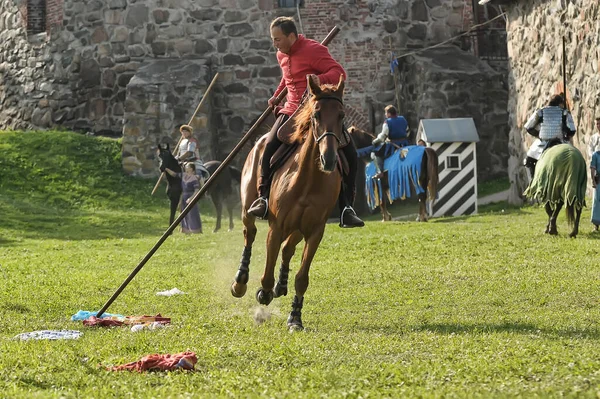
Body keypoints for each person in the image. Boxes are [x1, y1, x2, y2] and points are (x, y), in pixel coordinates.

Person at [247, 16, 364, 228]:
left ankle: (347, 208)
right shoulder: (281, 54)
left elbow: (339, 72)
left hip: (316, 111)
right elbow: (288, 78)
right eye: (273, 39)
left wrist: (321, 79)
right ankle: (263, 199)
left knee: (351, 155)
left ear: (292, 36)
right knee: (268, 149)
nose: (275, 43)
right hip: (291, 111)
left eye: (278, 39)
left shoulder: (314, 50)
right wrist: (276, 96)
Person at [523, 94, 576, 179]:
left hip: (543, 144)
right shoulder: (564, 112)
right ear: (560, 103)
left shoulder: (540, 112)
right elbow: (572, 130)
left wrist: (538, 134)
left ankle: (532, 186)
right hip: (561, 142)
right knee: (575, 161)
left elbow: (528, 127)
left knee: (528, 161)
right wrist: (566, 136)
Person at [371, 105, 410, 178]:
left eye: (386, 113)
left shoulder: (387, 122)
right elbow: (407, 131)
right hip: (405, 144)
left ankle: (380, 172)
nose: (385, 114)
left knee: (375, 153)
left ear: (389, 114)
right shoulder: (403, 119)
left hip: (393, 146)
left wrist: (375, 141)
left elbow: (383, 135)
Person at [165, 162, 203, 234]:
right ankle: (186, 230)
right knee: (183, 214)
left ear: (191, 169)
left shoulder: (194, 178)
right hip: (184, 196)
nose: (185, 167)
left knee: (192, 214)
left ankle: (195, 230)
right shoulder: (183, 175)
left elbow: (197, 190)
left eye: (187, 166)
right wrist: (166, 169)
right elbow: (174, 174)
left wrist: (191, 198)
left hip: (191, 197)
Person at [591, 146, 600, 231]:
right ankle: (596, 225)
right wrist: (593, 181)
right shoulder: (596, 155)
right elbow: (593, 168)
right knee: (597, 202)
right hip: (599, 182)